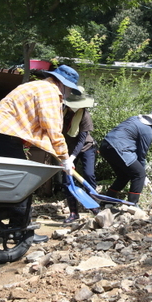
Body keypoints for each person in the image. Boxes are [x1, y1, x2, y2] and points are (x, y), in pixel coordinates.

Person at [0, 65, 80, 243]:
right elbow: (53, 130)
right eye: (71, 88)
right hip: (6, 134)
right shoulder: (50, 92)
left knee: (7, 182)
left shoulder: (36, 86)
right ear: (63, 83)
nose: (69, 92)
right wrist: (65, 158)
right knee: (23, 183)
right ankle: (20, 232)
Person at [100, 108, 152, 206]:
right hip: (119, 147)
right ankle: (132, 205)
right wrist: (143, 175)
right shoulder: (147, 131)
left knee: (124, 175)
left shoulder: (135, 119)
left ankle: (107, 201)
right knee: (139, 174)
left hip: (106, 146)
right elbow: (141, 155)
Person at [61, 87, 99, 223]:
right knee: (67, 180)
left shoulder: (85, 116)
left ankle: (95, 207)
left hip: (86, 148)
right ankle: (73, 212)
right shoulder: (62, 112)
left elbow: (81, 140)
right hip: (67, 149)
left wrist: (72, 158)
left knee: (88, 175)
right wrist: (65, 157)